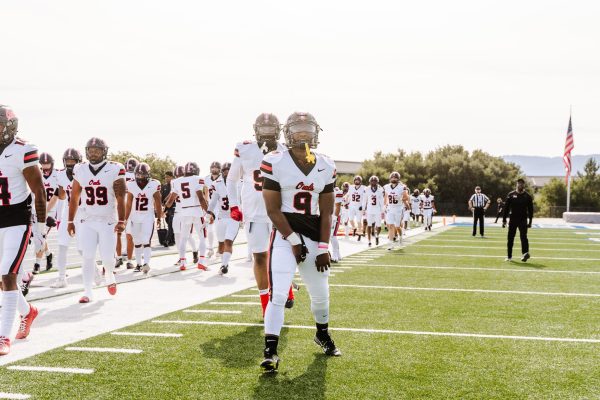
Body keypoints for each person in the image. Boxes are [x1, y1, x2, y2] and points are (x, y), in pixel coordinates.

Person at [260, 111, 341, 372]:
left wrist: (323, 247)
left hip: (314, 234)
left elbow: (327, 211)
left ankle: (322, 333)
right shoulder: (275, 161)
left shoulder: (326, 164)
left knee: (321, 296)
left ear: (316, 132)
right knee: (279, 294)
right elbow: (273, 210)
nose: (303, 133)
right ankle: (270, 350)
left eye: (307, 128)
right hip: (285, 236)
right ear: (288, 132)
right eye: (298, 128)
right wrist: (294, 240)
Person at [227, 113, 294, 316]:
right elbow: (232, 179)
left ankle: (287, 287)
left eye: (270, 128)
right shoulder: (244, 148)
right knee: (259, 257)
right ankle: (266, 305)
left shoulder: (286, 151)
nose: (266, 132)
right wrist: (233, 205)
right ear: (256, 129)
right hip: (254, 211)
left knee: (283, 255)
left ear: (278, 129)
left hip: (279, 212)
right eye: (263, 128)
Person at [0, 105, 46, 355]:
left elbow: (39, 191)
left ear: (9, 128)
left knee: (8, 274)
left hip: (17, 218)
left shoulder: (22, 150)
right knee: (1, 279)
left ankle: (3, 336)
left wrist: (40, 229)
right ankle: (29, 311)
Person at [68, 137, 126, 303]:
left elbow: (121, 197)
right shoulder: (80, 169)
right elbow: (74, 196)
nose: (93, 153)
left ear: (104, 151)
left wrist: (121, 220)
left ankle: (109, 274)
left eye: (97, 150)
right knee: (87, 256)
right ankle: (88, 291)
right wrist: (70, 221)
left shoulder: (115, 168)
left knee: (108, 258)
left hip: (107, 219)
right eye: (90, 150)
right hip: (87, 219)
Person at [165, 162, 208, 270]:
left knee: (183, 238)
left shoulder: (176, 182)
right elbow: (201, 198)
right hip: (197, 211)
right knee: (202, 237)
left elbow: (170, 201)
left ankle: (183, 262)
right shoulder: (198, 179)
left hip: (184, 213)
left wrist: (165, 206)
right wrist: (208, 212)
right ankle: (201, 261)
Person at [51, 148, 83, 288]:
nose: (70, 164)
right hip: (68, 212)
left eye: (72, 161)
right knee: (62, 245)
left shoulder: (84, 173)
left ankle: (95, 273)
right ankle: (61, 277)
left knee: (82, 248)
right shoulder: (60, 174)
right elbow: (62, 195)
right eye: (67, 161)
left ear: (78, 161)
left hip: (83, 212)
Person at [125, 163, 162, 273]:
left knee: (146, 240)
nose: (140, 176)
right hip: (134, 215)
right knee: (136, 241)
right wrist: (125, 219)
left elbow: (158, 203)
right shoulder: (131, 184)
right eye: (138, 174)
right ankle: (138, 264)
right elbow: (128, 203)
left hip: (147, 216)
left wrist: (159, 217)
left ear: (147, 174)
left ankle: (146, 263)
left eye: (142, 174)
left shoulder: (154, 184)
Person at [206, 162, 239, 275]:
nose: (227, 172)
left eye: (228, 170)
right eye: (225, 170)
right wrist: (208, 213)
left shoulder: (239, 182)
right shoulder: (217, 183)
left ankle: (224, 265)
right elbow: (213, 201)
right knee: (221, 245)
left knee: (228, 241)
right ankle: (224, 261)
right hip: (221, 217)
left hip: (234, 218)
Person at [32, 152, 59, 274]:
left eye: (48, 163)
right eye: (43, 163)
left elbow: (57, 196)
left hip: (51, 210)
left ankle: (37, 264)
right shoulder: (36, 174)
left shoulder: (58, 175)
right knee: (38, 235)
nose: (46, 166)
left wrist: (47, 212)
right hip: (37, 209)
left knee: (41, 236)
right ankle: (48, 254)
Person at [502, 178, 534, 262]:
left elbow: (531, 210)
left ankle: (525, 253)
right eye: (519, 183)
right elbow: (506, 208)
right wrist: (504, 219)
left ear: (524, 185)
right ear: (516, 184)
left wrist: (530, 222)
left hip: (523, 220)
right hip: (513, 219)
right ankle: (509, 256)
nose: (520, 185)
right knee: (510, 238)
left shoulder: (527, 196)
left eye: (522, 184)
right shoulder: (511, 194)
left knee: (524, 237)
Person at [116, 158, 139, 270]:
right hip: (131, 210)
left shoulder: (119, 175)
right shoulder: (137, 177)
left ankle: (118, 258)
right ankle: (129, 261)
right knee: (130, 236)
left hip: (118, 208)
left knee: (117, 235)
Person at [384, 171, 410, 250]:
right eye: (392, 177)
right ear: (390, 178)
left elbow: (406, 198)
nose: (394, 179)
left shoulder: (402, 187)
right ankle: (390, 244)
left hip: (398, 208)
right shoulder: (386, 187)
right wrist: (384, 206)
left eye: (395, 178)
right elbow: (386, 197)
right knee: (391, 226)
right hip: (390, 208)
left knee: (397, 226)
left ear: (398, 179)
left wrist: (400, 198)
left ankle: (401, 237)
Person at [204, 161, 221, 258]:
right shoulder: (206, 178)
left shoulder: (223, 179)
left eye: (216, 167)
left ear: (219, 169)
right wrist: (206, 205)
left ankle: (220, 247)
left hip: (220, 207)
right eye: (212, 167)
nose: (214, 169)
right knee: (209, 229)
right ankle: (210, 248)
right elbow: (206, 191)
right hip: (211, 207)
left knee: (219, 229)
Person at [364, 176, 384, 246]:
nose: (373, 182)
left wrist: (383, 210)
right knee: (369, 225)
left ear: (377, 182)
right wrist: (363, 209)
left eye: (375, 181)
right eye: (372, 181)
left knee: (379, 226)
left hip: (377, 210)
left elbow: (381, 201)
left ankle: (377, 236)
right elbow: (364, 199)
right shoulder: (366, 189)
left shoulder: (380, 190)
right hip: (369, 210)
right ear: (370, 182)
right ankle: (369, 241)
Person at [161, 171, 175, 246]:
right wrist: (162, 207)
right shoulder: (164, 186)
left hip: (174, 207)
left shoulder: (175, 185)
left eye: (168, 177)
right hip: (167, 208)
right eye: (165, 177)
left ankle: (166, 240)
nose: (166, 178)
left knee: (170, 224)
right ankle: (172, 240)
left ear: (172, 177)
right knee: (168, 222)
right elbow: (162, 197)